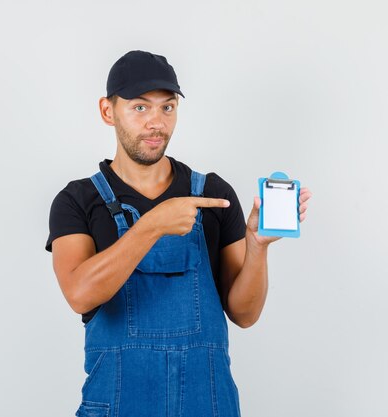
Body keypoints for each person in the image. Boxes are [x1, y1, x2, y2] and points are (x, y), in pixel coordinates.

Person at [45, 50, 312, 417]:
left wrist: (257, 247)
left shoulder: (213, 194)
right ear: (108, 111)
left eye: (167, 108)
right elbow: (79, 293)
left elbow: (245, 314)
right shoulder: (78, 200)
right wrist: (153, 225)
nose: (156, 122)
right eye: (140, 108)